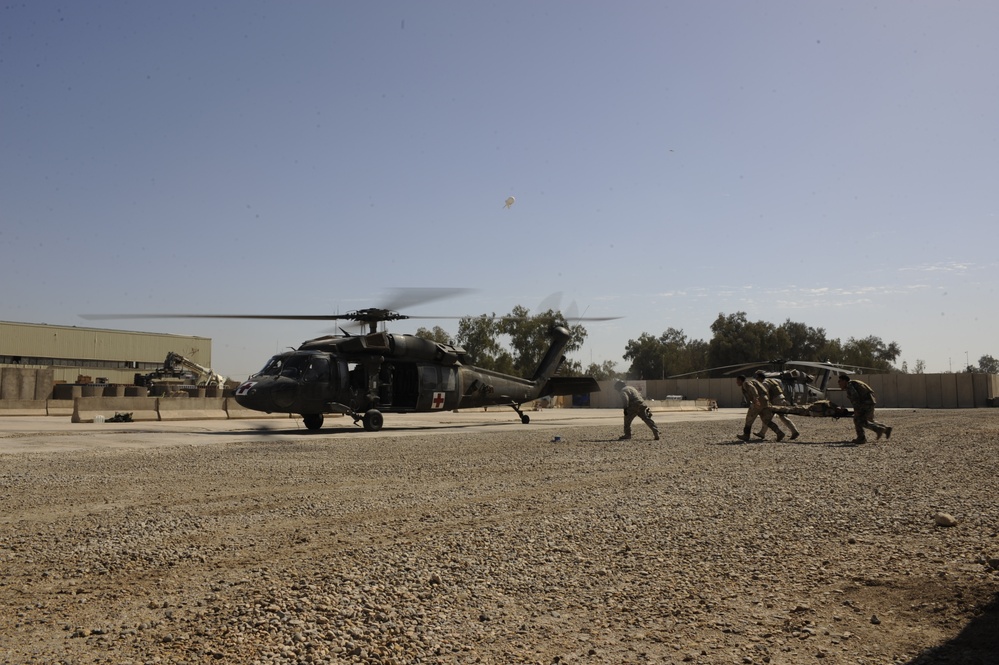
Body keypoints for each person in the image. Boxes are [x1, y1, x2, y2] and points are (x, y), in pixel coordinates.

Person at [837, 374, 892, 444]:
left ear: (844, 381)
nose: (839, 383)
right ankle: (886, 429)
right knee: (869, 420)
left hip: (866, 403)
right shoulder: (853, 383)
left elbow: (855, 398)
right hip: (870, 402)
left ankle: (868, 434)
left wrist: (856, 410)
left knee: (858, 420)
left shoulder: (850, 386)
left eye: (839, 381)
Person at [736, 374, 785, 442]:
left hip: (758, 402)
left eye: (737, 381)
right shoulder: (754, 381)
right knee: (766, 420)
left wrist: (756, 399)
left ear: (741, 380)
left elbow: (752, 389)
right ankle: (779, 433)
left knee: (749, 419)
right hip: (765, 401)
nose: (737, 382)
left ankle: (746, 435)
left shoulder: (746, 383)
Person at [754, 370, 800, 440]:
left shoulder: (764, 383)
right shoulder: (773, 380)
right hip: (781, 398)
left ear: (760, 377)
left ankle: (763, 433)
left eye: (757, 377)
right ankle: (794, 431)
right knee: (781, 417)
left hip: (774, 401)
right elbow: (781, 388)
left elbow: (766, 394)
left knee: (768, 417)